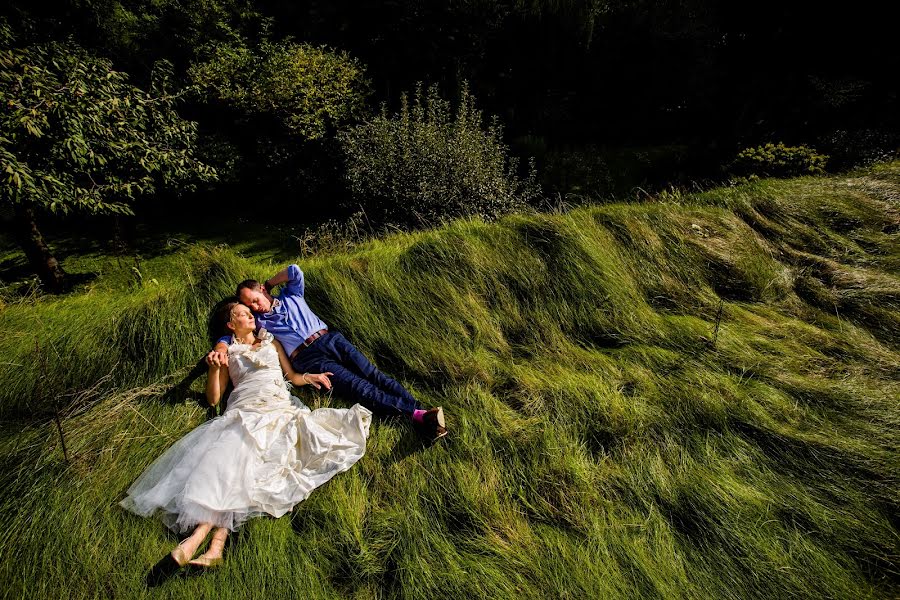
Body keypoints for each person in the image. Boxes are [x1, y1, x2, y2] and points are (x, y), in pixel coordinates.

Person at [121, 302, 372, 584]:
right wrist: (215, 369)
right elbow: (214, 399)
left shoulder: (271, 342)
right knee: (235, 465)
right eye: (242, 313)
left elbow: (290, 376)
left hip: (278, 410)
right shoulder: (226, 351)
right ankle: (212, 546)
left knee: (242, 466)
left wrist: (308, 377)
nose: (250, 315)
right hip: (246, 413)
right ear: (230, 324)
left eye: (248, 311)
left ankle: (196, 541)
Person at [206, 264, 448, 442]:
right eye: (250, 305)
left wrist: (269, 283)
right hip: (308, 358)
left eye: (256, 299)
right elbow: (234, 335)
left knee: (373, 374)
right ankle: (420, 416)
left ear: (261, 289)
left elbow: (293, 270)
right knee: (358, 387)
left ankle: (420, 412)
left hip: (331, 338)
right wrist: (221, 347)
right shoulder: (259, 322)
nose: (255, 307)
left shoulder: (292, 296)